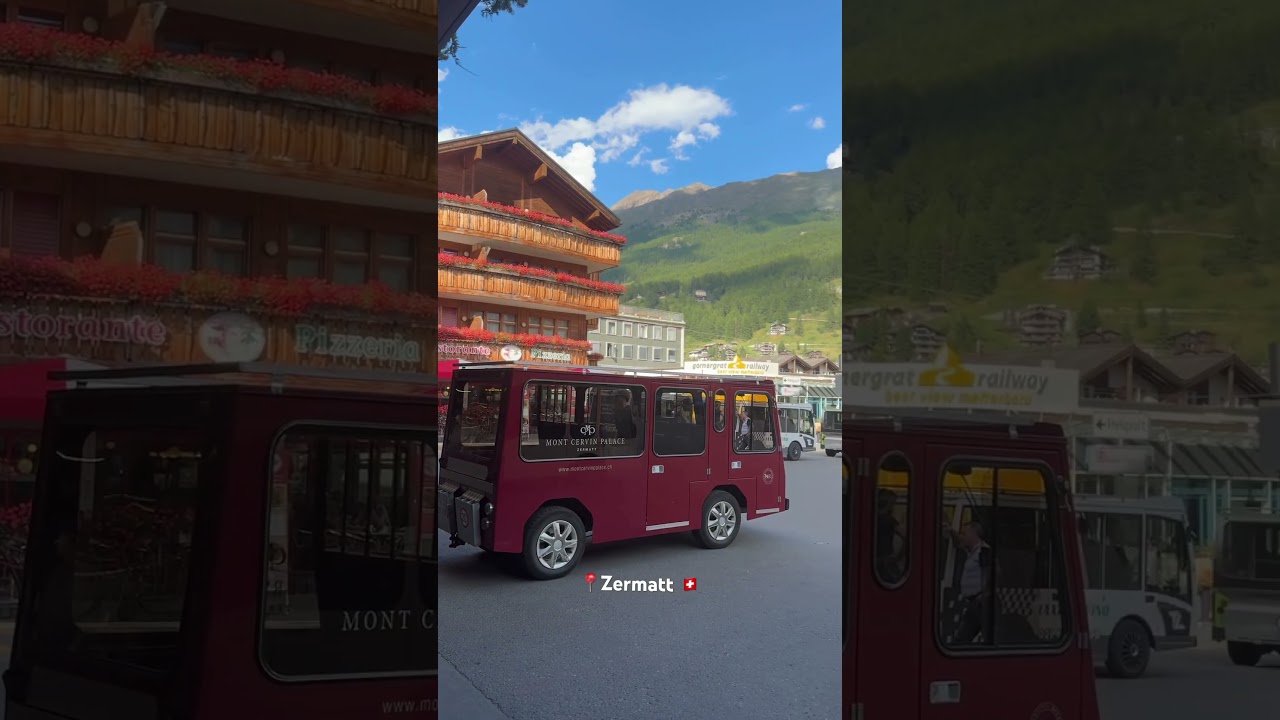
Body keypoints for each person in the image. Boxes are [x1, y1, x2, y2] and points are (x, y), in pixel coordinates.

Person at [943, 520, 994, 644]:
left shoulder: (983, 550)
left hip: (982, 604)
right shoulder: (972, 552)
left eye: (965, 533)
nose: (963, 537)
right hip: (974, 604)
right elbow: (958, 543)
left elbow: (993, 572)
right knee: (962, 640)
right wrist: (951, 531)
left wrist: (985, 593)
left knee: (989, 639)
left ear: (973, 534)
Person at [875, 489, 907, 582]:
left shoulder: (869, 517)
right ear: (889, 505)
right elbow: (906, 538)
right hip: (886, 559)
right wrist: (898, 557)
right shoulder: (889, 520)